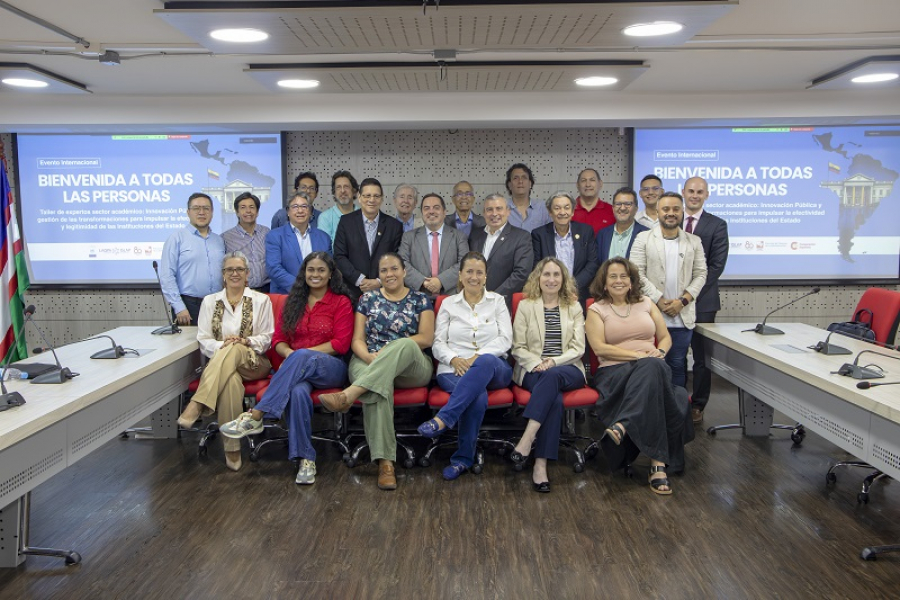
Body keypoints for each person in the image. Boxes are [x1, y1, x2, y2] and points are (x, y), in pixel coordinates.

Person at [219, 252, 353, 485]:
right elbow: (279, 340)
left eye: (321, 270)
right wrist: (292, 356)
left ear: (331, 274)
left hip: (331, 368)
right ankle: (305, 459)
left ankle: (257, 414)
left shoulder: (341, 302)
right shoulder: (293, 302)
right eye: (311, 270)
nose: (315, 274)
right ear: (304, 273)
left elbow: (340, 344)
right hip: (296, 370)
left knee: (302, 357)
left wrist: (300, 356)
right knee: (298, 392)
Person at [317, 253, 434, 491]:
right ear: (378, 275)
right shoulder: (367, 299)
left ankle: (350, 394)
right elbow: (357, 340)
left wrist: (388, 352)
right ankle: (385, 464)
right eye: (383, 270)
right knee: (379, 387)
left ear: (404, 271)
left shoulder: (420, 299)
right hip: (368, 360)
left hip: (411, 366)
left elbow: (425, 338)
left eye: (394, 269)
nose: (389, 274)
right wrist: (370, 357)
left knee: (404, 344)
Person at [585, 257, 692, 495]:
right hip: (615, 372)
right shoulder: (596, 309)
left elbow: (665, 338)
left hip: (651, 367)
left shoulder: (646, 303)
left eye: (624, 276)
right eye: (613, 276)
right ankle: (658, 465)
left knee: (654, 370)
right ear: (604, 283)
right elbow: (600, 348)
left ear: (632, 281)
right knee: (674, 393)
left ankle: (624, 424)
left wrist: (660, 352)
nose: (619, 281)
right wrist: (638, 356)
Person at [417, 252, 513, 480]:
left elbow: (505, 339)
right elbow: (438, 342)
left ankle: (443, 418)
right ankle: (462, 460)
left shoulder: (497, 301)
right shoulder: (448, 304)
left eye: (479, 272)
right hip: (454, 370)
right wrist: (453, 359)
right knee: (477, 396)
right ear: (460, 275)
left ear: (486, 276)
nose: (474, 277)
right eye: (469, 271)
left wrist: (476, 358)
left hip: (494, 369)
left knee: (486, 360)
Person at [175, 251, 274, 471]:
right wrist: (224, 345)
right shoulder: (210, 301)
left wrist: (244, 341)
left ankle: (198, 403)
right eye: (230, 269)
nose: (234, 273)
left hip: (255, 362)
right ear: (223, 274)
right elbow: (204, 340)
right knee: (230, 382)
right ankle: (232, 448)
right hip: (224, 366)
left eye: (239, 269)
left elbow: (267, 339)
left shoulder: (261, 300)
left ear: (247, 274)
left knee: (236, 347)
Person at [509, 258, 587, 493]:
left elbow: (578, 348)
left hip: (568, 368)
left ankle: (527, 439)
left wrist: (553, 362)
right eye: (546, 274)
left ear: (563, 279)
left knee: (552, 377)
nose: (551, 279)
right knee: (553, 397)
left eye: (556, 275)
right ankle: (540, 464)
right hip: (532, 368)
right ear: (538, 278)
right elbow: (518, 347)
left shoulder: (573, 307)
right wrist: (537, 364)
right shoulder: (526, 306)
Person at [629, 192, 707, 388]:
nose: (671, 213)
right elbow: (636, 273)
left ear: (682, 212)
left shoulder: (694, 241)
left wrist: (683, 301)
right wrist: (659, 300)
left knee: (677, 364)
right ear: (657, 212)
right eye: (666, 209)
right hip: (650, 315)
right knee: (651, 365)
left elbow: (701, 274)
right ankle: (654, 404)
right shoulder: (643, 238)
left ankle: (676, 405)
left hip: (682, 317)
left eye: (675, 209)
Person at [682, 177, 729, 424]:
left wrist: (690, 294)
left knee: (701, 359)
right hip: (673, 302)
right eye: (691, 191)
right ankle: (677, 401)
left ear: (707, 195)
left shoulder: (717, 225)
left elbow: (716, 266)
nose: (695, 195)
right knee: (676, 355)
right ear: (683, 192)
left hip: (703, 302)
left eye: (700, 192)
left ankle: (698, 405)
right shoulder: (670, 220)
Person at [160, 192, 226, 326]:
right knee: (190, 340)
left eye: (206, 208)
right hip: (189, 306)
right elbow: (167, 275)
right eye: (196, 208)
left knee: (219, 340)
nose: (201, 212)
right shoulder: (176, 238)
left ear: (212, 212)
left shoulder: (218, 240)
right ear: (188, 212)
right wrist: (179, 307)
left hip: (217, 304)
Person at [333, 177, 404, 302]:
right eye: (367, 196)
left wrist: (379, 281)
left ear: (382, 199)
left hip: (386, 292)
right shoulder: (346, 222)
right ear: (359, 197)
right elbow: (339, 256)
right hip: (352, 292)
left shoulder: (394, 226)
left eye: (376, 196)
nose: (372, 200)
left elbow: (398, 258)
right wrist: (360, 280)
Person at [531, 192, 598, 302]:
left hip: (578, 294)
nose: (562, 212)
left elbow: (592, 263)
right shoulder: (539, 234)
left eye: (567, 208)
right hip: (549, 294)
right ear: (550, 212)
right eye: (557, 208)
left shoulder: (586, 231)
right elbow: (537, 266)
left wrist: (572, 286)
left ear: (572, 211)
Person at [399, 193, 469, 297]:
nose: (431, 211)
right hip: (417, 296)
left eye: (436, 208)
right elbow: (401, 263)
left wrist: (441, 281)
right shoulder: (408, 237)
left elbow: (465, 263)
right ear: (422, 213)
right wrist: (423, 282)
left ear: (444, 212)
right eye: (426, 208)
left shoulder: (459, 236)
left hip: (451, 297)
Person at [468, 193, 533, 301]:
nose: (494, 213)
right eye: (489, 209)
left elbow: (521, 273)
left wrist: (494, 296)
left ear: (508, 212)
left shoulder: (522, 237)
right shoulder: (475, 235)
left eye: (499, 209)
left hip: (503, 301)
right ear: (484, 213)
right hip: (475, 299)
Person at [265, 192, 332, 294]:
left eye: (304, 206)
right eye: (295, 206)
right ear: (288, 212)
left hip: (318, 295)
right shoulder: (275, 236)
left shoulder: (324, 238)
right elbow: (273, 268)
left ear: (310, 211)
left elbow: (329, 268)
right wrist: (301, 287)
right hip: (287, 295)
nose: (300, 210)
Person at [223, 192, 270, 293]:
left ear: (257, 212)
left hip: (267, 289)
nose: (248, 211)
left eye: (252, 207)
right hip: (240, 291)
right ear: (237, 212)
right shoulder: (226, 237)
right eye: (243, 207)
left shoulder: (267, 232)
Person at [596, 187, 649, 264]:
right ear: (613, 208)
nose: (622, 208)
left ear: (636, 209)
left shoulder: (646, 234)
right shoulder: (602, 234)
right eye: (618, 204)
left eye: (628, 204)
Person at [505, 163, 551, 232]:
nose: (520, 181)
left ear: (530, 184)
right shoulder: (501, 208)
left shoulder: (543, 208)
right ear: (509, 185)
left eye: (524, 178)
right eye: (515, 178)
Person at [317, 171, 359, 242]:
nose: (342, 191)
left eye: (346, 187)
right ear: (334, 193)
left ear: (354, 191)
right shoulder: (325, 218)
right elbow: (324, 247)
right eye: (338, 187)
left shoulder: (364, 215)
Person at [572, 168, 614, 233]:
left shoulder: (611, 211)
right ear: (577, 185)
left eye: (592, 180)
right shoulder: (568, 210)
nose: (588, 185)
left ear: (600, 184)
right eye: (583, 180)